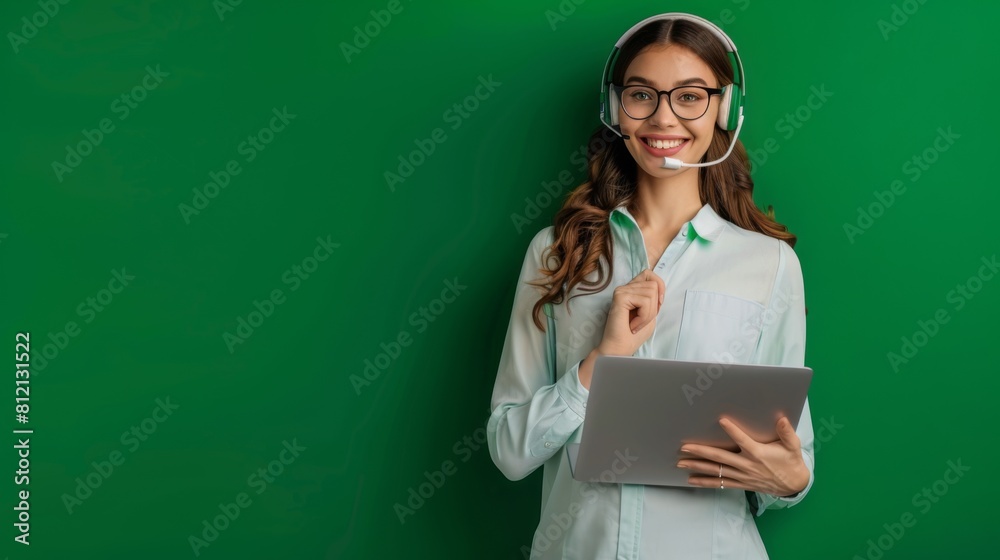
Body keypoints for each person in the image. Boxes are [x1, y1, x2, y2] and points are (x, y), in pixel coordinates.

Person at [486, 12, 815, 560]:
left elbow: (791, 456)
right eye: (643, 95)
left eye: (690, 97)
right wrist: (603, 360)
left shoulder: (771, 264)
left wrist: (791, 482)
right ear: (617, 109)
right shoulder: (556, 252)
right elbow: (509, 449)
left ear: (725, 108)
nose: (663, 118)